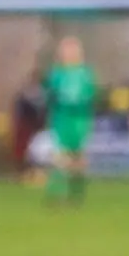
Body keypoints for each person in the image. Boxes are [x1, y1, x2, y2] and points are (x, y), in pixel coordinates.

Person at [43, 36, 98, 205]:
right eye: (65, 50)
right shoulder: (56, 74)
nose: (69, 53)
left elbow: (91, 96)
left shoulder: (85, 74)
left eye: (72, 49)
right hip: (61, 120)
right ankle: (57, 194)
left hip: (80, 121)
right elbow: (49, 96)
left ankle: (76, 194)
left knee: (78, 159)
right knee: (60, 158)